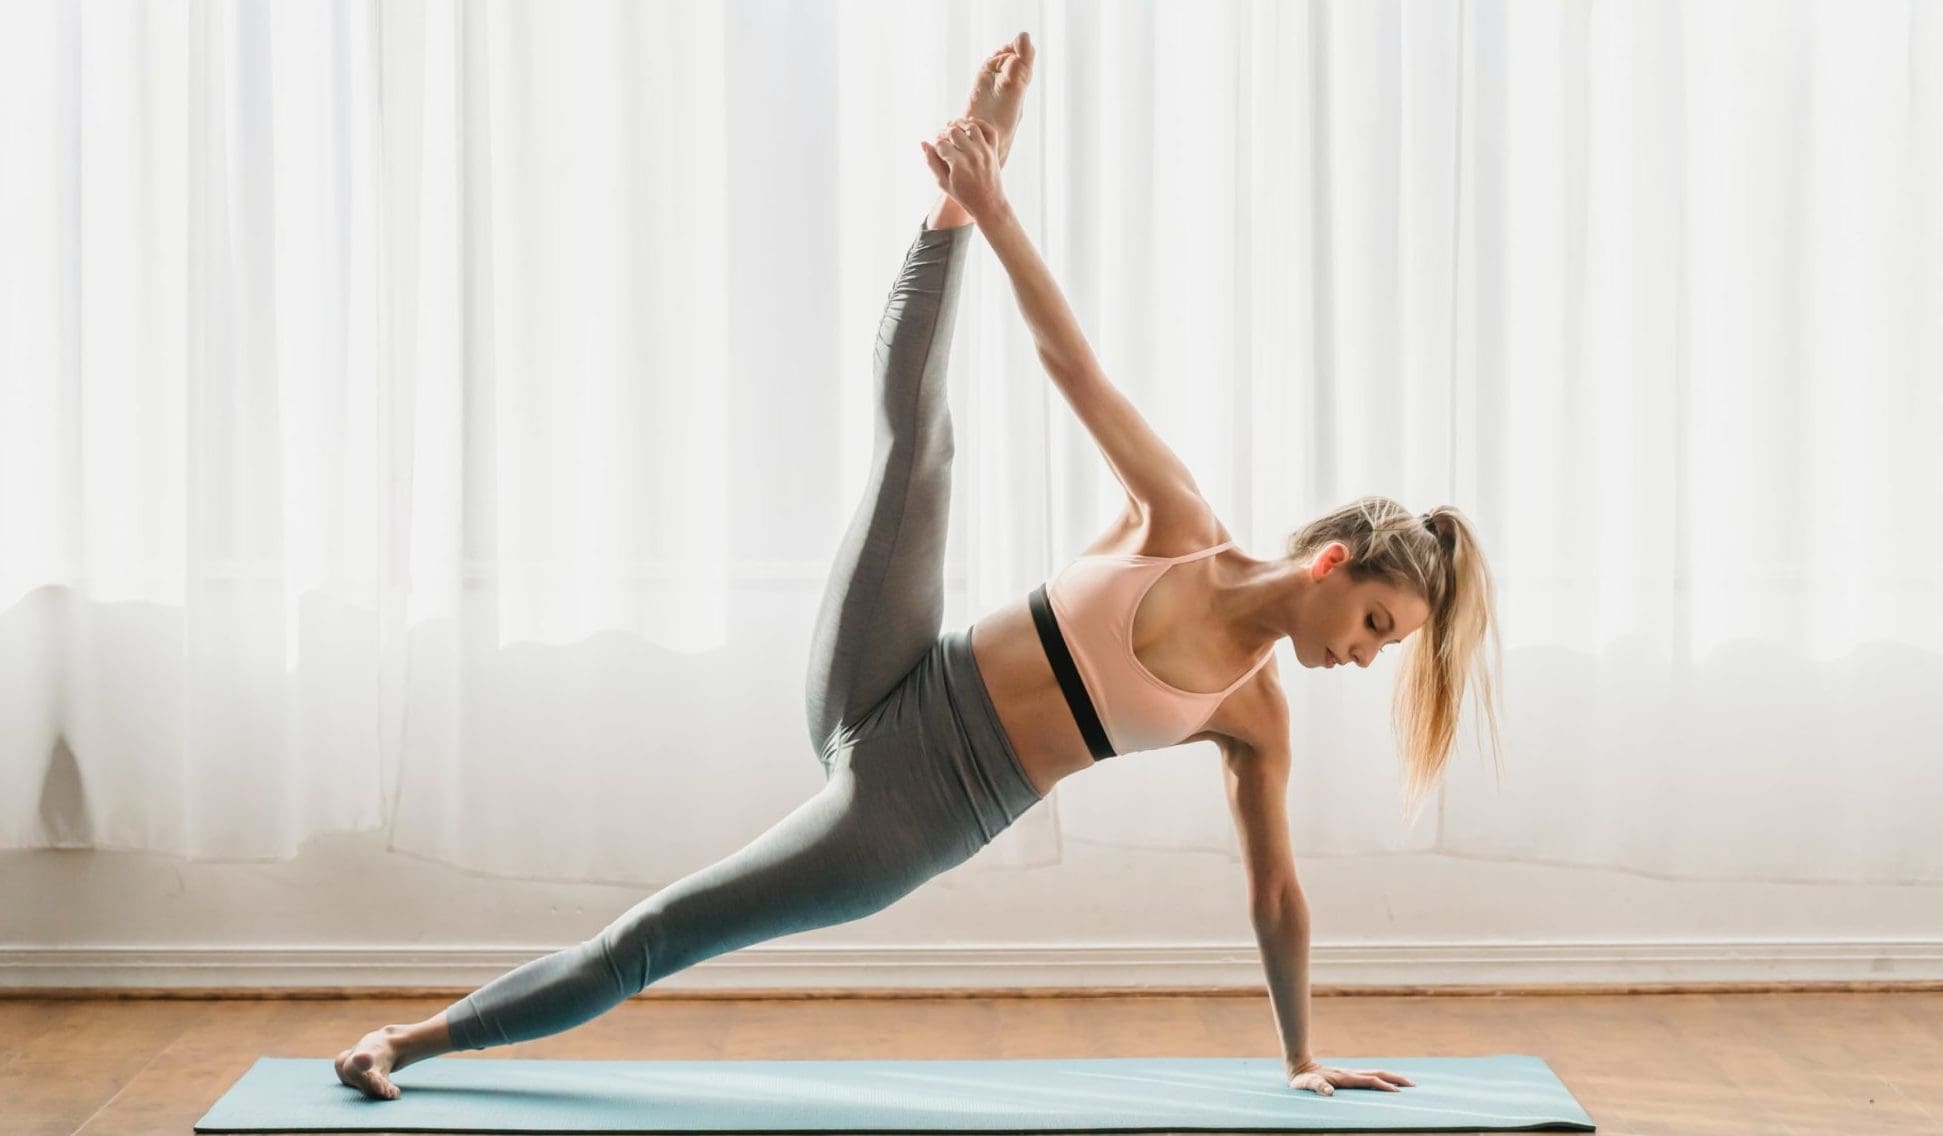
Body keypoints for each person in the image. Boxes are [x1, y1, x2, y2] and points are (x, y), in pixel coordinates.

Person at [336, 31, 1500, 1103]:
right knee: (924, 449)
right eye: (1378, 625)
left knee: (659, 931)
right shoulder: (1178, 524)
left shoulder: (1254, 717)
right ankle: (959, 178)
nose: (1362, 657)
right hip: (888, 668)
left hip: (908, 814)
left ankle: (407, 1041)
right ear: (1336, 563)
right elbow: (1072, 364)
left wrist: (1301, 1054)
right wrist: (992, 210)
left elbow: (1276, 895)